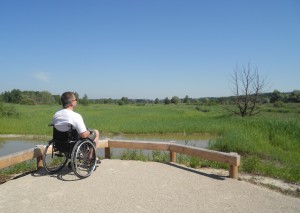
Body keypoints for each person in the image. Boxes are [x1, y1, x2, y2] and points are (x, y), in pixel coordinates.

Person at [52, 91, 101, 164]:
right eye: (76, 100)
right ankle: (90, 157)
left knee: (79, 135)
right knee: (95, 132)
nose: (76, 101)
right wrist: (89, 132)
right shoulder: (75, 116)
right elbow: (83, 135)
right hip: (72, 143)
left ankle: (85, 155)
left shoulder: (56, 114)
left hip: (59, 143)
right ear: (72, 102)